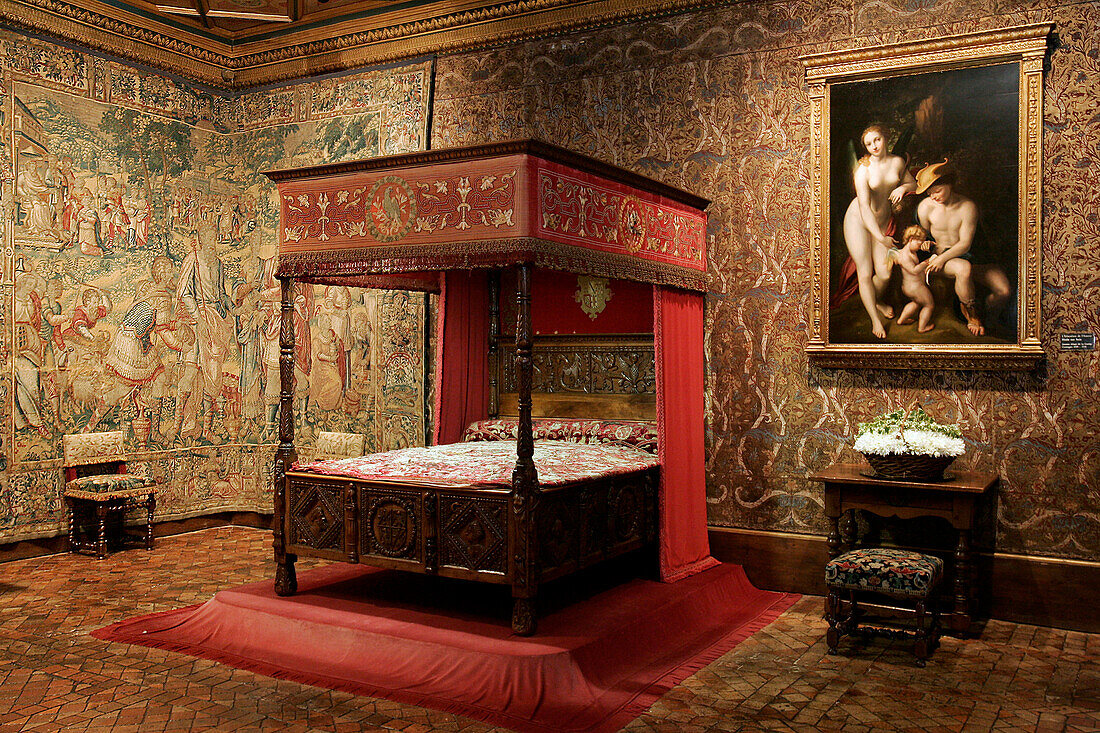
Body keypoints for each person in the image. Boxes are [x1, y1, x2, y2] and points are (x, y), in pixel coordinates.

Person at [915, 160, 1013, 337]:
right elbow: (922, 236)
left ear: (950, 184)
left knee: (1004, 291)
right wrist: (929, 248)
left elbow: (965, 244)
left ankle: (990, 320)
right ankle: (972, 315)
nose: (933, 197)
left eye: (937, 191)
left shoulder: (968, 207)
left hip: (973, 256)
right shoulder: (925, 208)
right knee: (963, 268)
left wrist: (942, 258)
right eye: (929, 193)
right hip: (942, 258)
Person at [837, 125, 917, 339]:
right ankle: (875, 318)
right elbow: (864, 207)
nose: (874, 146)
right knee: (865, 272)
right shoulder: (863, 170)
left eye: (877, 140)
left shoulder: (897, 162)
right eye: (869, 143)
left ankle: (876, 301)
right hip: (858, 222)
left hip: (882, 222)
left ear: (886, 138)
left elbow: (913, 184)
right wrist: (881, 238)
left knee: (884, 274)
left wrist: (902, 187)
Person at [892, 225, 936, 333]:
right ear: (911, 239)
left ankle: (902, 320)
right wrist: (927, 262)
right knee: (929, 305)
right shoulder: (905, 256)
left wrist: (930, 243)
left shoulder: (909, 250)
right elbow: (914, 270)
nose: (920, 246)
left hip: (909, 287)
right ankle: (922, 327)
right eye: (919, 243)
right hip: (915, 288)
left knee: (916, 303)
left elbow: (919, 246)